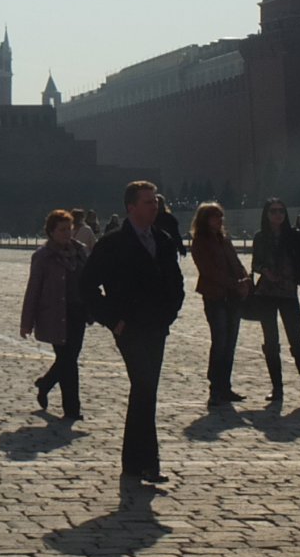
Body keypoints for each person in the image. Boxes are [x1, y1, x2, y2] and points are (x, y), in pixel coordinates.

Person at [80, 180, 184, 487]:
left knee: (144, 391)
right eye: (148, 202)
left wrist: (169, 314)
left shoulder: (163, 240)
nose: (155, 206)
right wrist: (112, 319)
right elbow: (86, 286)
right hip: (130, 328)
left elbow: (176, 284)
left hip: (157, 327)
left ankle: (133, 462)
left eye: (155, 201)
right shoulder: (112, 244)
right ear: (131, 207)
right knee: (144, 386)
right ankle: (148, 463)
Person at [19, 209, 88, 420]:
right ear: (51, 231)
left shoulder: (80, 252)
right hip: (55, 314)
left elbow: (89, 281)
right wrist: (26, 323)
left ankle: (46, 383)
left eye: (69, 229)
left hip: (77, 313)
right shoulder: (42, 257)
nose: (67, 233)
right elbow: (33, 290)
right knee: (68, 360)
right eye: (62, 230)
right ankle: (72, 409)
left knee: (69, 358)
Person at [249, 198, 300, 406]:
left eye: (281, 211)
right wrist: (265, 271)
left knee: (296, 341)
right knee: (271, 342)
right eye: (273, 211)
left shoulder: (295, 237)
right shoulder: (260, 237)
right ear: (266, 214)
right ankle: (277, 388)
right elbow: (255, 263)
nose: (278, 215)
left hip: (288, 294)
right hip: (266, 295)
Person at [189, 202, 249, 408]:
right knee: (220, 341)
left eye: (221, 216)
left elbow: (236, 262)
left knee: (230, 342)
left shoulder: (223, 239)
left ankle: (225, 386)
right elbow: (209, 271)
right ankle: (215, 387)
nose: (220, 220)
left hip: (233, 297)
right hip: (215, 296)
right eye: (215, 216)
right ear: (205, 219)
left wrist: (245, 279)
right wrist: (235, 284)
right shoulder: (201, 242)